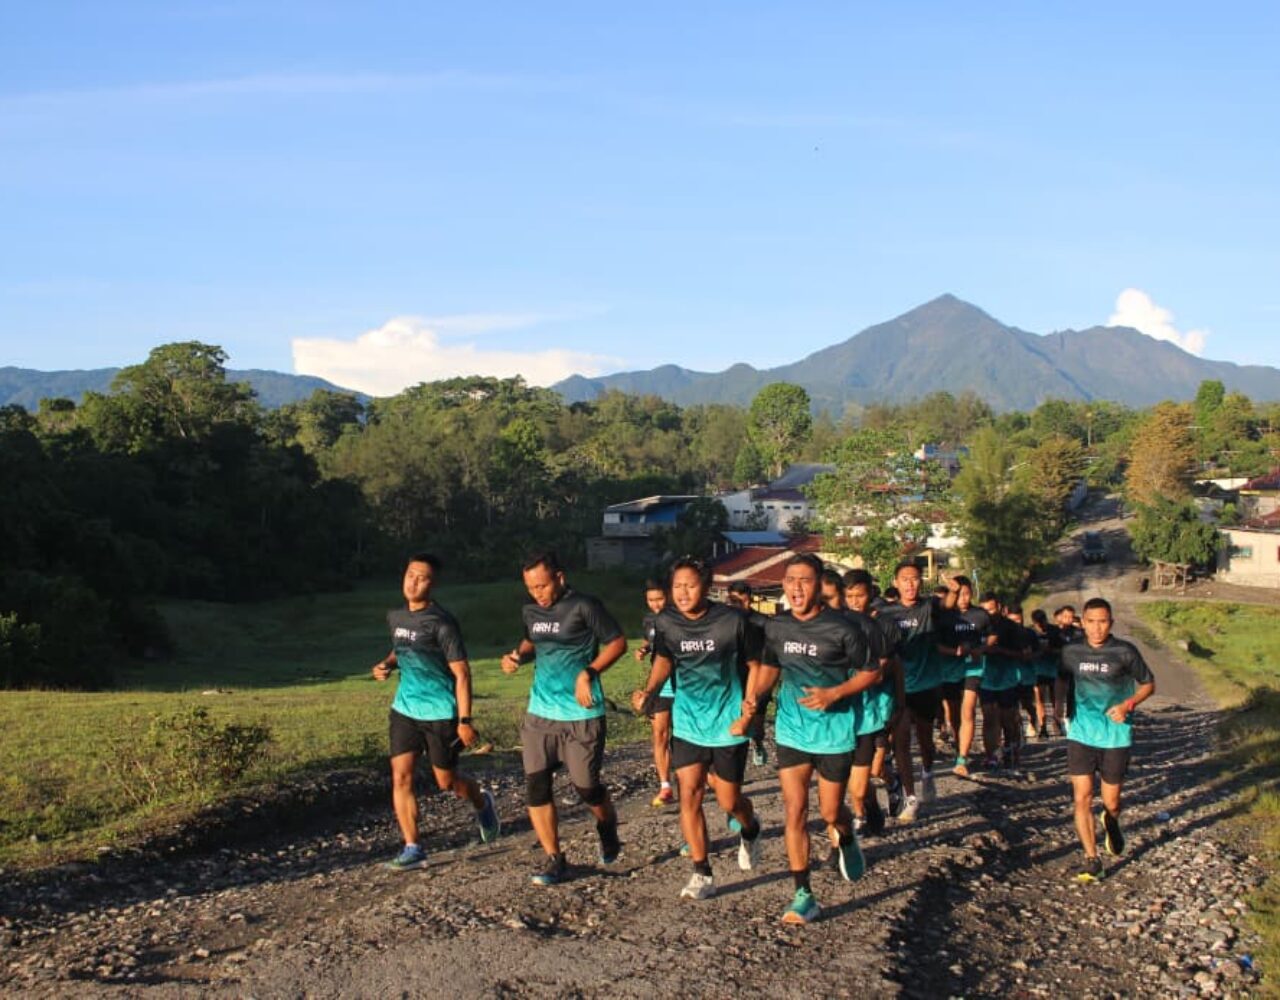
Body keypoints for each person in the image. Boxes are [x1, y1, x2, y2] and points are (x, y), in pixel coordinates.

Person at [747, 554, 879, 925]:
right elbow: (771, 665)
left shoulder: (843, 629)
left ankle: (846, 835)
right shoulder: (777, 627)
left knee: (830, 812)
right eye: (790, 580)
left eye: (804, 580)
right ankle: (803, 893)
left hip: (834, 732)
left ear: (819, 584)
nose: (796, 588)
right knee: (794, 811)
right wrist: (754, 699)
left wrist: (834, 694)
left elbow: (871, 673)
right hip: (792, 729)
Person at [631, 559, 764, 900]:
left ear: (707, 587)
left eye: (690, 586)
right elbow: (664, 658)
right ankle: (701, 872)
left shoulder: (732, 620)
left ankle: (750, 828)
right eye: (677, 586)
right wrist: (650, 690)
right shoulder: (667, 622)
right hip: (689, 721)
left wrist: (750, 705)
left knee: (729, 799)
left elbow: (755, 663)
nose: (683, 592)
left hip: (727, 721)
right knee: (689, 793)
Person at [502, 551, 628, 886]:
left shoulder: (585, 606)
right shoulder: (530, 611)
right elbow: (531, 641)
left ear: (559, 577)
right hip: (540, 712)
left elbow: (617, 643)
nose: (537, 594)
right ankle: (554, 858)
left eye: (542, 586)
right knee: (536, 787)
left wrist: (589, 672)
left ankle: (607, 827)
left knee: (586, 787)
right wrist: (517, 656)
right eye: (531, 588)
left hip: (581, 713)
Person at [372, 553, 500, 870]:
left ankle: (482, 802)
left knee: (446, 781)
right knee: (401, 777)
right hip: (405, 709)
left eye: (423, 577)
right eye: (411, 574)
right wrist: (387, 664)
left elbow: (462, 673)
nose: (414, 581)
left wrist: (465, 721)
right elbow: (401, 648)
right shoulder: (396, 617)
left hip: (440, 712)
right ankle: (413, 847)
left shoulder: (442, 623)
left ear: (433, 584)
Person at [1057, 597, 1155, 882]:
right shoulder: (1071, 651)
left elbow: (1149, 684)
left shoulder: (1125, 652)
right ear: (1083, 622)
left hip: (1115, 735)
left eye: (1103, 622)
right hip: (1081, 732)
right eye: (1091, 622)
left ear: (1110, 623)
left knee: (1111, 801)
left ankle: (1111, 820)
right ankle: (1092, 859)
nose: (1097, 628)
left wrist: (1128, 705)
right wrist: (1059, 710)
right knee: (1082, 797)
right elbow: (1062, 679)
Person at [877, 563, 957, 822]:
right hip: (899, 686)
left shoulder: (929, 606)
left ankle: (928, 771)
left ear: (921, 582)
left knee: (924, 739)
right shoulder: (885, 612)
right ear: (896, 582)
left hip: (927, 682)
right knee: (900, 742)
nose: (910, 584)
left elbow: (947, 605)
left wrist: (954, 590)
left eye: (915, 579)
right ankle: (911, 797)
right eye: (905, 579)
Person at [840, 570, 897, 841]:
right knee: (849, 779)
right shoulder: (837, 623)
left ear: (871, 594)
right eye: (848, 596)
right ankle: (861, 816)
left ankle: (871, 800)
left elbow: (886, 671)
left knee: (867, 777)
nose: (854, 601)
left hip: (872, 712)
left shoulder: (882, 626)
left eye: (859, 595)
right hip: (841, 715)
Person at [937, 576, 992, 778]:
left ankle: (962, 759)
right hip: (949, 669)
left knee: (967, 711)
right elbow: (934, 644)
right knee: (953, 716)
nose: (963, 598)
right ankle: (959, 742)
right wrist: (954, 652)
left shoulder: (981, 615)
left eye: (967, 593)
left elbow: (991, 637)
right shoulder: (943, 617)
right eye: (959, 594)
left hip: (973, 668)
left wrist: (981, 648)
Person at [976, 593, 1027, 770]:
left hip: (1009, 680)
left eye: (991, 610)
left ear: (1000, 608)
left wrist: (999, 650)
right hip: (985, 680)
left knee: (1007, 719)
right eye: (984, 611)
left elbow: (1024, 654)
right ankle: (991, 755)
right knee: (989, 718)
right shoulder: (977, 626)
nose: (988, 614)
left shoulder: (1012, 628)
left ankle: (1011, 749)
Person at [635, 579, 675, 807]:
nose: (656, 604)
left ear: (668, 596)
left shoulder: (679, 618)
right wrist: (643, 649)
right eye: (651, 600)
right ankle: (665, 786)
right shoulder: (649, 620)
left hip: (683, 685)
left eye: (659, 599)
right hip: (660, 685)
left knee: (682, 737)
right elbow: (651, 641)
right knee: (659, 734)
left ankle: (702, 778)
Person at [727, 581, 773, 767]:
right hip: (734, 677)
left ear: (750, 600)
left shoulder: (762, 622)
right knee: (736, 718)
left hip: (759, 675)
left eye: (744, 601)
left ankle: (758, 743)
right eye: (735, 601)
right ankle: (736, 760)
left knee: (757, 721)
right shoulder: (724, 621)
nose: (741, 606)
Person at [1006, 602, 1042, 741]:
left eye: (1018, 620)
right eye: (1012, 620)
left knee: (1027, 704)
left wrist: (1029, 655)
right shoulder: (1002, 634)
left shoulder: (1029, 634)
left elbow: (1039, 652)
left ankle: (1033, 720)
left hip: (1026, 676)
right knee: (1012, 707)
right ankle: (1017, 732)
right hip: (1009, 676)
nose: (1016, 623)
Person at [1030, 608, 1061, 738]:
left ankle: (1057, 722)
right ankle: (1043, 726)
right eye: (1038, 623)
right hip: (1037, 670)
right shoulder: (1030, 632)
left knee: (1055, 699)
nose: (1041, 626)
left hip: (1053, 669)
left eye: (1043, 622)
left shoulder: (1054, 631)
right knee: (1039, 699)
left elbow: (1062, 649)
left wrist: (1050, 650)